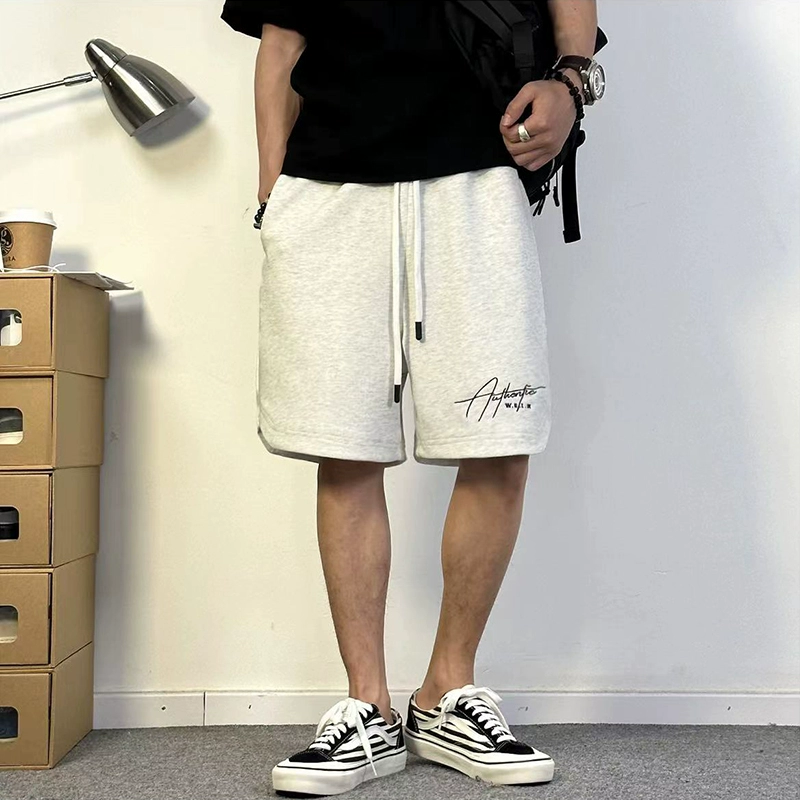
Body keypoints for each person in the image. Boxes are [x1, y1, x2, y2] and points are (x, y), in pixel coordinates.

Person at [221, 1, 602, 795]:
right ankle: (367, 706)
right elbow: (281, 43)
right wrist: (271, 194)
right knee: (345, 445)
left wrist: (572, 78)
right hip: (327, 183)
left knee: (499, 436)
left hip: (480, 173)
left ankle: (445, 693)